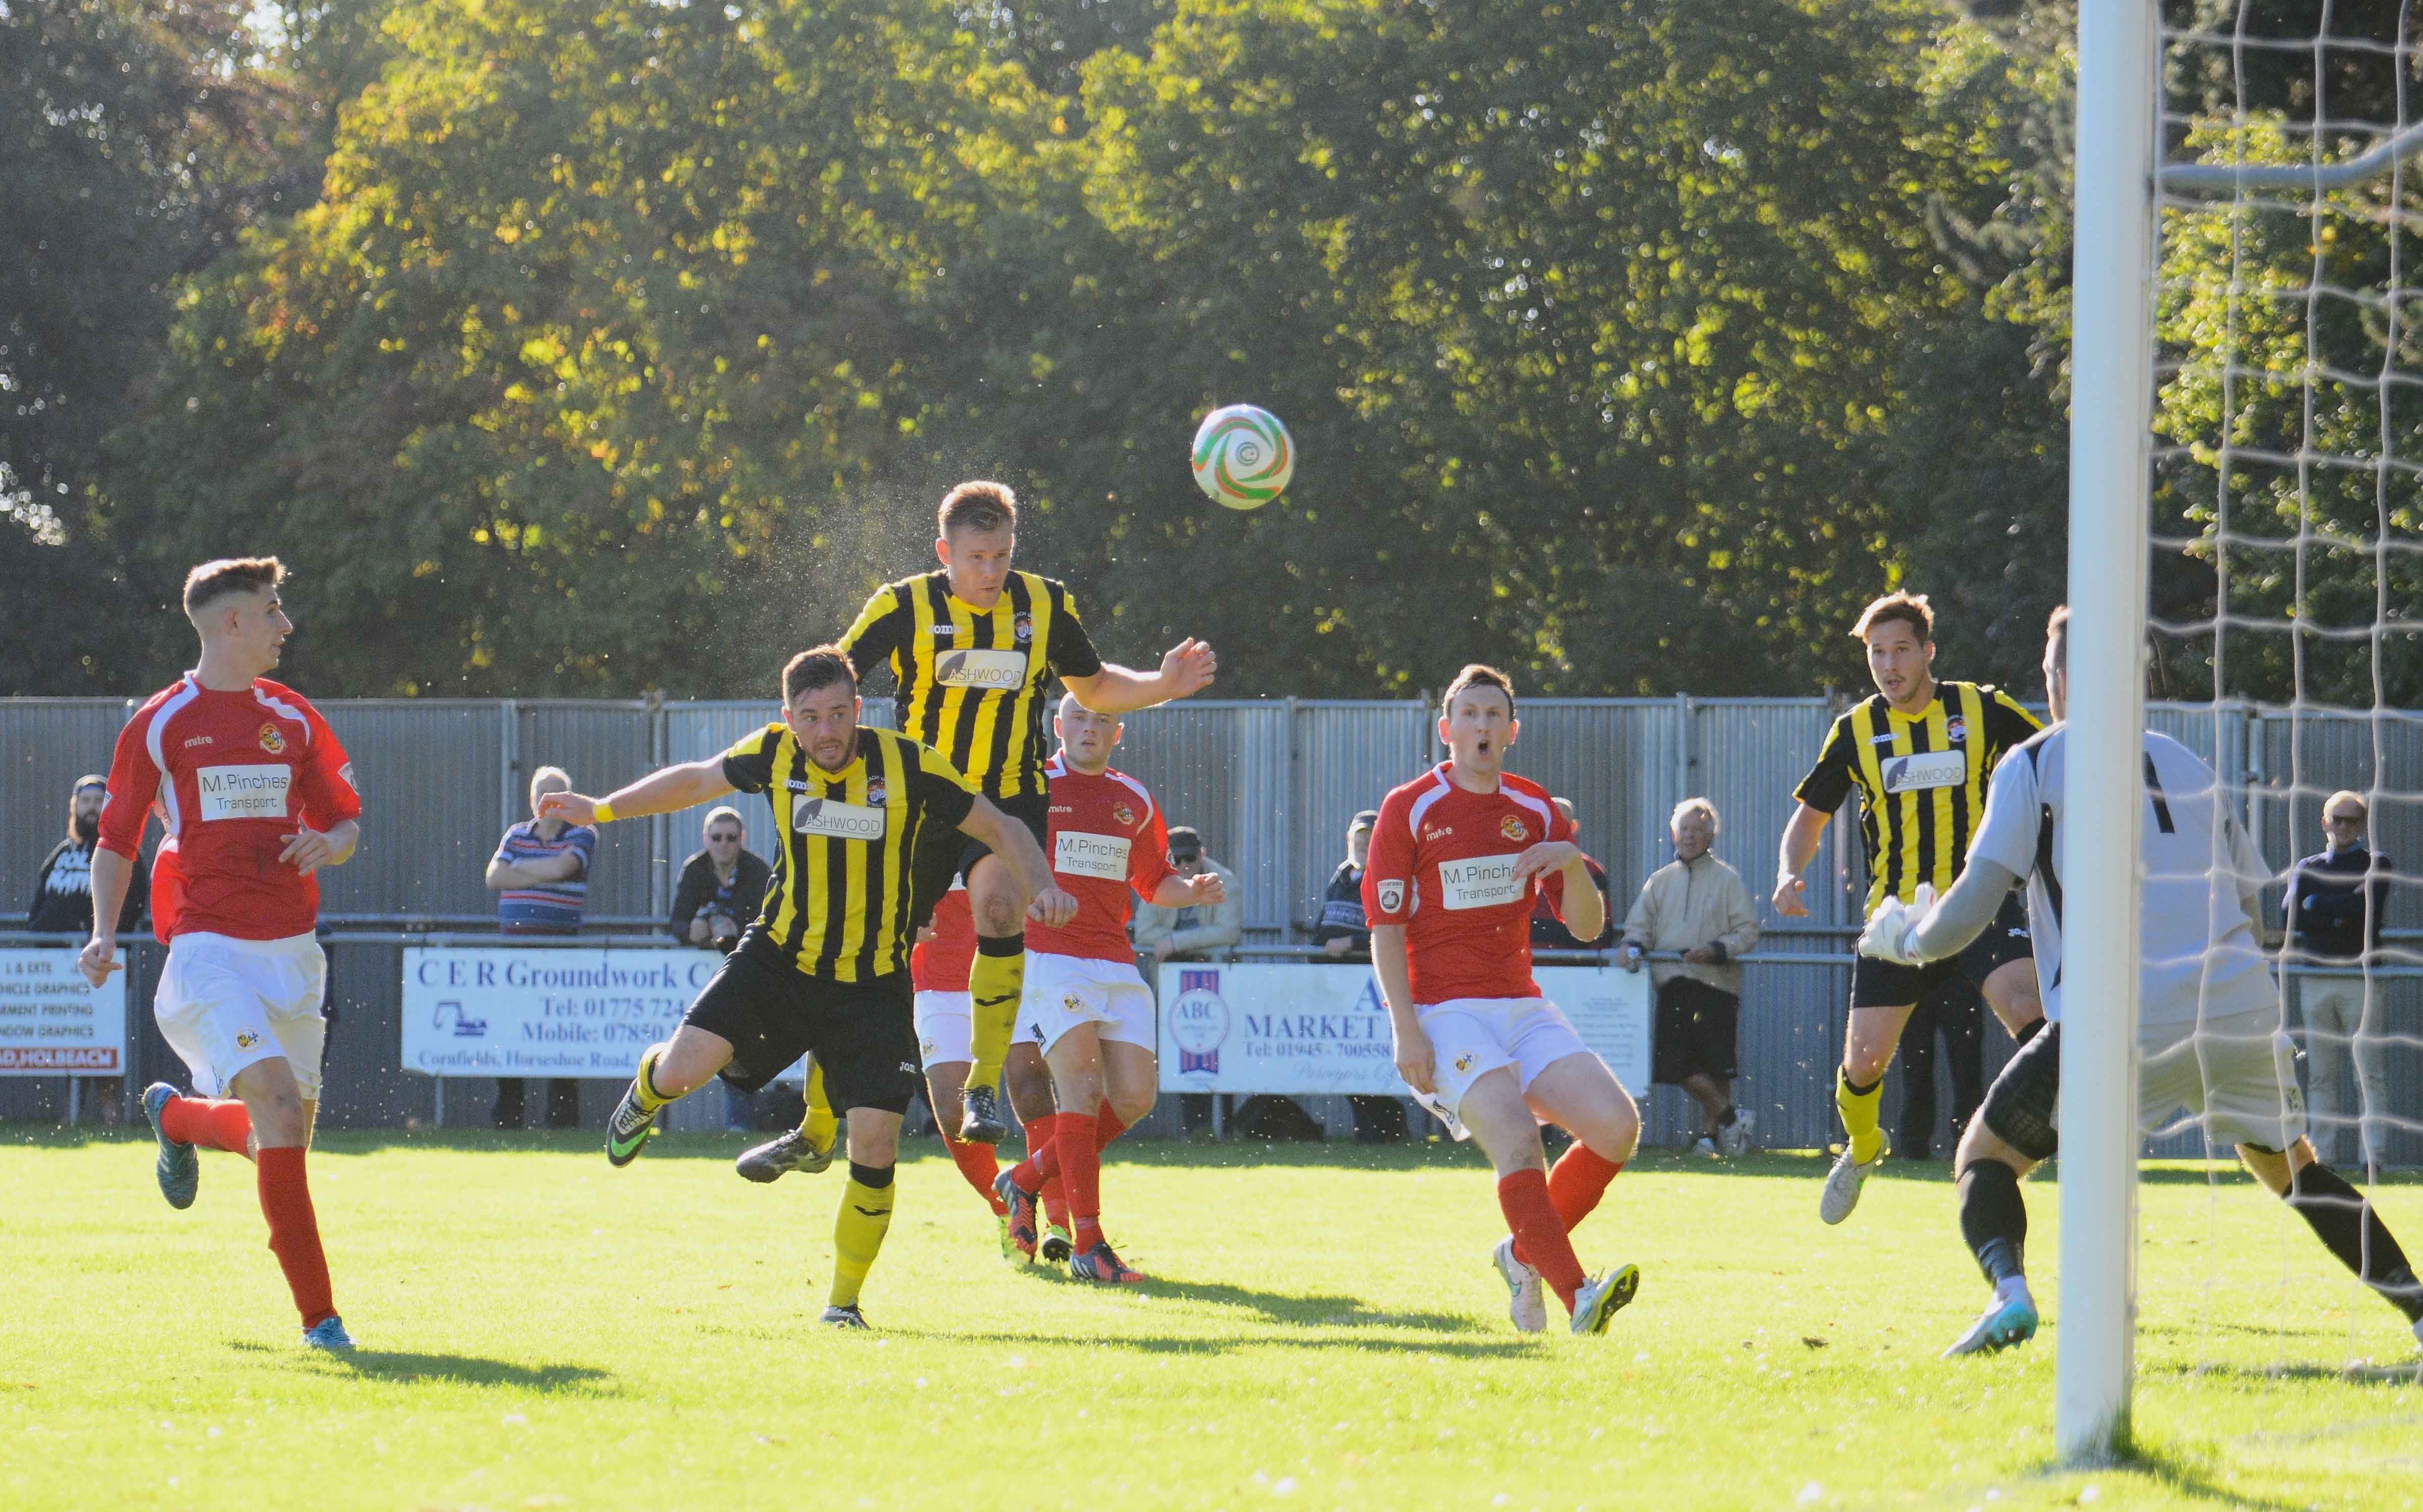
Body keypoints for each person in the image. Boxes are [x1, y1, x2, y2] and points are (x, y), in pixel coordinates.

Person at [1863, 606, 2423, 1358]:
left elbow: (1971, 905)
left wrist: (1907, 939)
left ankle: (2011, 1294)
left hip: (2119, 1015)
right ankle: (2420, 1312)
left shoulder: (2035, 762)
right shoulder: (2189, 763)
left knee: (1984, 1159)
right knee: (2295, 1172)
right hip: (2237, 1003)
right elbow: (2255, 907)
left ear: (2059, 678)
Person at [538, 646, 1075, 1329]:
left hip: (873, 984)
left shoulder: (907, 763)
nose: (828, 732)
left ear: (859, 708)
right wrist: (600, 810)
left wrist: (1043, 885)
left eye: (840, 714)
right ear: (789, 718)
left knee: (875, 1145)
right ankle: (649, 1086)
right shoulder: (773, 753)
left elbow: (1000, 825)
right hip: (779, 961)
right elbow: (695, 780)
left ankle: (843, 1305)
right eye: (812, 717)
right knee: (679, 1074)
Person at [836, 479, 1217, 1147]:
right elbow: (834, 676)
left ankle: (982, 1084)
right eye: (976, 557)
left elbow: (1094, 685)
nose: (990, 572)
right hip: (921, 801)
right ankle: (819, 1118)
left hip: (1007, 798)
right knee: (879, 943)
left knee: (999, 908)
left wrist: (1161, 684)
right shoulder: (902, 605)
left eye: (1002, 555)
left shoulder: (1043, 604)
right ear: (945, 553)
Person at [82, 556, 363, 1349]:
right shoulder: (162, 722)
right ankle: (322, 1323)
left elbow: (346, 821)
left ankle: (176, 1117)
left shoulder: (294, 716)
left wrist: (331, 843)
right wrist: (103, 932)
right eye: (272, 610)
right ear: (231, 622)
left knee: (281, 1134)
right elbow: (116, 839)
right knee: (278, 1111)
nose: (286, 625)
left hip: (293, 951)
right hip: (207, 948)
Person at [1365, 665, 1642, 1336]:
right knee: (1519, 1140)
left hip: (1520, 1005)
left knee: (1617, 1127)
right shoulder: (1410, 807)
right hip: (1442, 1012)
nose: (1482, 726)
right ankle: (1578, 1295)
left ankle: (1522, 1256)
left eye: (1494, 715)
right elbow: (1385, 927)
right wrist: (1405, 1029)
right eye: (1470, 714)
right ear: (1446, 729)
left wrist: (1570, 860)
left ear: (1512, 731)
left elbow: (1588, 928)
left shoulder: (1537, 809)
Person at [1774, 590, 2045, 1224]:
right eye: (1877, 653)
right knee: (1863, 1064)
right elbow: (1810, 817)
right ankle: (1865, 1145)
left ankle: (2054, 1132)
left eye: (1900, 650)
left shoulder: (1981, 708)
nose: (1889, 665)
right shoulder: (1855, 730)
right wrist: (1789, 872)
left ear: (1928, 652)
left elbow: (2052, 759)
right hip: (1895, 918)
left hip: (1975, 900)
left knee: (2029, 1010)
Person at [995, 694, 1226, 1282]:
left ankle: (1024, 1178)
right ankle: (1089, 1244)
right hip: (1050, 957)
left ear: (1118, 732)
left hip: (1115, 960)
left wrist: (1190, 891)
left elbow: (1153, 881)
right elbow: (992, 856)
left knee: (1135, 1095)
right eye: (1079, 717)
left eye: (1102, 719)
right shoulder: (1032, 786)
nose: (1090, 728)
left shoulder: (1134, 798)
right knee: (1081, 1085)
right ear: (1058, 725)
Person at [1619, 797, 1760, 1158]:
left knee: (1717, 1067)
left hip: (1718, 984)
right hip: (1675, 983)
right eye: (1685, 829)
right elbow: (1639, 926)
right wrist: (1631, 946)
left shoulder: (1728, 879)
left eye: (1698, 830)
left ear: (1711, 837)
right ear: (1674, 834)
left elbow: (1747, 931)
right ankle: (1733, 1119)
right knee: (1675, 1065)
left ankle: (1711, 1139)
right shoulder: (1660, 881)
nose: (1691, 836)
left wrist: (1716, 949)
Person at [2285, 791, 2398, 1171]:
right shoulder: (2308, 866)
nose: (2344, 826)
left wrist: (2317, 905)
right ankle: (2324, 1156)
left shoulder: (2377, 863)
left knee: (2368, 1072)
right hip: (2316, 977)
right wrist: (2335, 912)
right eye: (2338, 819)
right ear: (2325, 823)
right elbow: (2290, 914)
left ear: (2363, 824)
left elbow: (2364, 906)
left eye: (2352, 820)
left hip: (2361, 979)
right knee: (2321, 1073)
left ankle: (2373, 1157)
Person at [29, 774, 150, 1125]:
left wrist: (105, 942)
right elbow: (39, 908)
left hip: (105, 967)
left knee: (106, 1042)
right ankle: (71, 1117)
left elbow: (134, 904)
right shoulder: (61, 854)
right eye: (86, 802)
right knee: (70, 1043)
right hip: (58, 972)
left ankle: (113, 1118)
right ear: (75, 808)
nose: (92, 808)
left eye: (99, 801)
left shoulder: (122, 855)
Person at [483, 765, 596, 1130]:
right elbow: (494, 877)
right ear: (532, 801)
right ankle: (509, 1121)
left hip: (561, 957)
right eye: (541, 795)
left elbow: (564, 868)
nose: (548, 803)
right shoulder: (516, 834)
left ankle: (562, 1124)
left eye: (555, 795)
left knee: (561, 1039)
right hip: (514, 959)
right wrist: (537, 871)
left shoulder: (583, 832)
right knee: (509, 1037)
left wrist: (519, 870)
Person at [669, 806, 774, 1129]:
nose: (724, 845)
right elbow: (676, 922)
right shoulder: (695, 869)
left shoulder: (758, 871)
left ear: (742, 839)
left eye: (731, 838)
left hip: (748, 971)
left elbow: (771, 921)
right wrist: (694, 931)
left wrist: (737, 930)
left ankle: (744, 1124)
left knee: (744, 1046)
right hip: (701, 977)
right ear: (706, 839)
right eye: (717, 838)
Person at [1315, 810, 1407, 1144]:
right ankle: (1370, 1127)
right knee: (1344, 1060)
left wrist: (1351, 944)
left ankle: (1387, 1124)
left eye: (1371, 838)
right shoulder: (1340, 878)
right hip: (1339, 988)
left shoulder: (1388, 878)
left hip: (1370, 986)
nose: (1363, 844)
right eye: (1359, 837)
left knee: (1372, 1061)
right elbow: (1324, 924)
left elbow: (1394, 930)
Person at [1131, 827, 1242, 962]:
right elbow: (1143, 933)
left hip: (1213, 967)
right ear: (1166, 859)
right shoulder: (1156, 881)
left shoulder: (1222, 880)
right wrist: (1187, 942)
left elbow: (1229, 932)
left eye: (1190, 858)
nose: (1184, 865)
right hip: (1167, 966)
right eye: (1176, 859)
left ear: (1202, 854)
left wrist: (1176, 942)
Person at [1532, 799, 1615, 950]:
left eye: (1560, 824)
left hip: (1574, 962)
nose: (1552, 829)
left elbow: (1602, 931)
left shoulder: (1591, 870)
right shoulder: (1521, 863)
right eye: (1547, 823)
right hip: (1525, 961)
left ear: (1574, 827)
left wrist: (1591, 962)